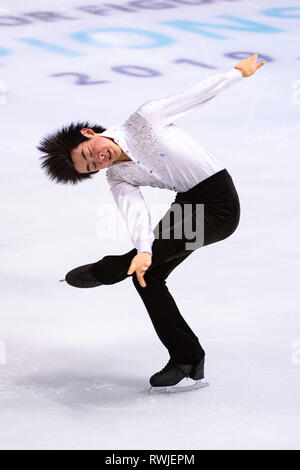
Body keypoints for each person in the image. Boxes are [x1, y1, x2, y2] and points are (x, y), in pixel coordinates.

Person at [37, 53, 266, 392]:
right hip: (187, 206)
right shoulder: (117, 177)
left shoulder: (143, 120)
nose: (97, 159)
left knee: (137, 268)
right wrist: (143, 250)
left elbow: (194, 96)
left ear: (88, 133)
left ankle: (110, 268)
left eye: (88, 153)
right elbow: (136, 213)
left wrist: (235, 74)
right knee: (148, 275)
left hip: (219, 206)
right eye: (90, 167)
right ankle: (187, 359)